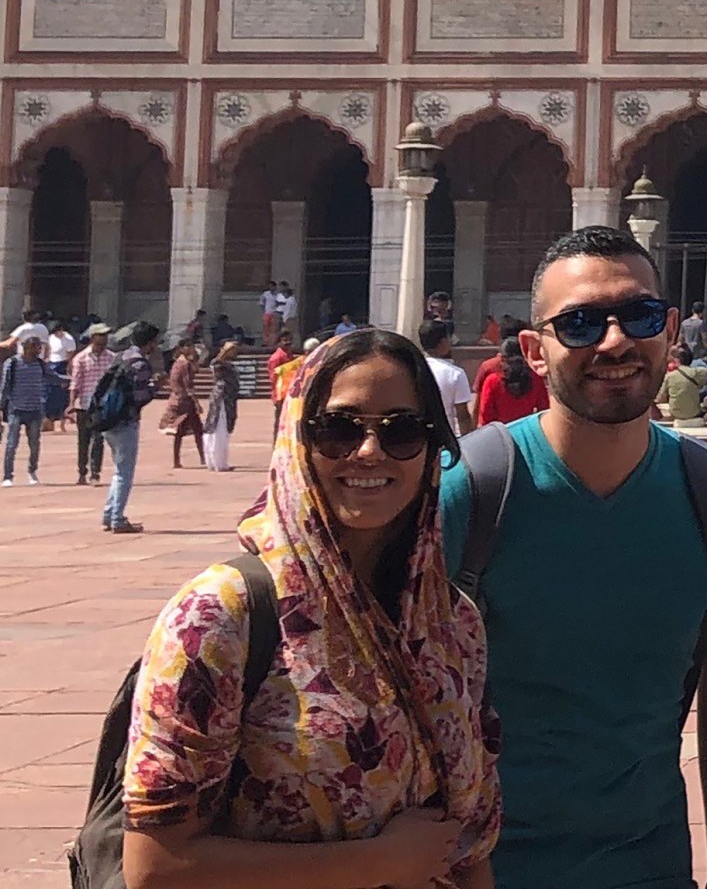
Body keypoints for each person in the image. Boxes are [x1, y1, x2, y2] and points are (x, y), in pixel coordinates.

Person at [440, 223, 707, 889]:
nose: (615, 341)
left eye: (638, 315)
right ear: (535, 350)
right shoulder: (471, 491)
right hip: (483, 871)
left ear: (670, 328)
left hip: (649, 866)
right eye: (582, 323)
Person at [118, 329, 499, 887]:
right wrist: (379, 863)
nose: (369, 452)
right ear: (298, 438)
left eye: (402, 431)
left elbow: (466, 844)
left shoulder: (450, 620)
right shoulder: (220, 615)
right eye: (339, 429)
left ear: (431, 448)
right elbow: (155, 866)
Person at [102, 321, 164, 532]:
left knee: (118, 470)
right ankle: (117, 519)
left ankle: (110, 514)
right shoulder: (139, 363)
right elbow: (139, 397)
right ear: (149, 343)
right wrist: (156, 386)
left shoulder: (120, 357)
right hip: (125, 421)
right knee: (124, 472)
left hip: (107, 419)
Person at [69, 319, 115, 485]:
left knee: (98, 439)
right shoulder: (81, 358)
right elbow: (75, 383)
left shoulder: (111, 358)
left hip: (102, 405)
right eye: (101, 335)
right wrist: (71, 404)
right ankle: (82, 471)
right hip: (84, 404)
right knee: (83, 440)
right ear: (93, 337)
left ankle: (95, 473)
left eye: (105, 335)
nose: (104, 339)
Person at [1, 324, 49, 482]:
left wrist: (71, 381)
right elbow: (5, 386)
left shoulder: (40, 364)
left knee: (34, 443)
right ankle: (8, 476)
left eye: (39, 347)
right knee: (11, 444)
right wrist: (1, 407)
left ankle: (32, 471)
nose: (39, 350)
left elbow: (54, 377)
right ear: (26, 347)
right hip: (16, 409)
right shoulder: (12, 363)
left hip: (35, 410)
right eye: (36, 347)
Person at [472, 329, 547, 427]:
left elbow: (485, 416)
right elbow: (544, 410)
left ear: (502, 358)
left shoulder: (493, 381)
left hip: (499, 434)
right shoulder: (536, 379)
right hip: (525, 432)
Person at [161, 335, 207, 469]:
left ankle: (179, 460)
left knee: (184, 432)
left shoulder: (179, 362)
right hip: (185, 401)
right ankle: (202, 458)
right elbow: (188, 386)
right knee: (195, 430)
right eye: (190, 346)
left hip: (178, 399)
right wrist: (197, 403)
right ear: (183, 348)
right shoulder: (184, 364)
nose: (192, 349)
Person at [420, 324, 474, 433]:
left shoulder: (411, 369)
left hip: (416, 439)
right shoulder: (455, 374)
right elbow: (462, 416)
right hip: (444, 438)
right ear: (443, 342)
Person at [200, 336, 243, 471]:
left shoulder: (229, 364)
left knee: (224, 430)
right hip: (221, 399)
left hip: (229, 398)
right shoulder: (219, 364)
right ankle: (218, 463)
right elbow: (215, 362)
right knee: (218, 429)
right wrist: (224, 351)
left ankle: (218, 461)